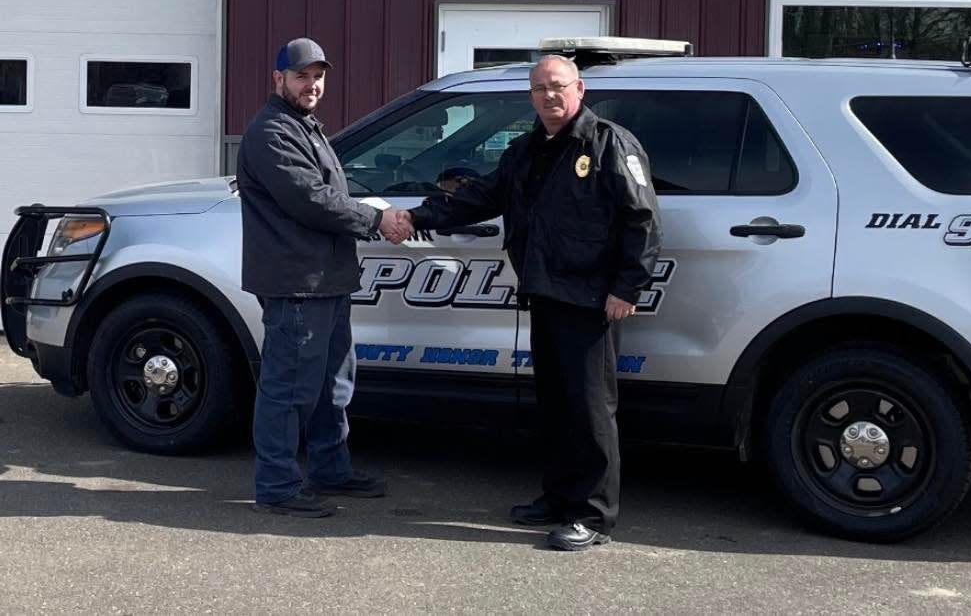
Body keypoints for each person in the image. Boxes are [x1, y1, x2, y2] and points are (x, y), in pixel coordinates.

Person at [394, 54, 661, 551]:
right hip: (544, 291)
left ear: (579, 89)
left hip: (590, 299)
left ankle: (594, 515)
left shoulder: (609, 144)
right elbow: (479, 197)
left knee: (590, 409)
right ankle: (559, 499)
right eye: (539, 89)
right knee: (557, 405)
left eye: (557, 87)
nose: (549, 97)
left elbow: (641, 218)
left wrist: (627, 287)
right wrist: (417, 217)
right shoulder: (526, 151)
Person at [237, 37, 408, 517]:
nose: (312, 85)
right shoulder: (272, 131)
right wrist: (377, 220)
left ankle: (331, 471)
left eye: (318, 76)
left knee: (334, 386)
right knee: (289, 388)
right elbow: (310, 198)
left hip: (326, 281)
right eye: (301, 76)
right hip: (296, 284)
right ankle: (276, 486)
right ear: (278, 79)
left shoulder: (305, 127)